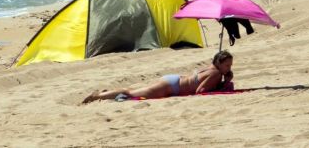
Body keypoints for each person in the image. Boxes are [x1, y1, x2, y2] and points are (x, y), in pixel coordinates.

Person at [82, 51, 234, 103]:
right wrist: (223, 84)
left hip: (172, 81)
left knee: (134, 91)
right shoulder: (215, 73)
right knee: (130, 93)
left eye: (230, 65)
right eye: (227, 65)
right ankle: (97, 96)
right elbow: (201, 91)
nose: (229, 68)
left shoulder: (212, 68)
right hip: (171, 86)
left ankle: (107, 92)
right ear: (219, 63)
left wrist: (224, 79)